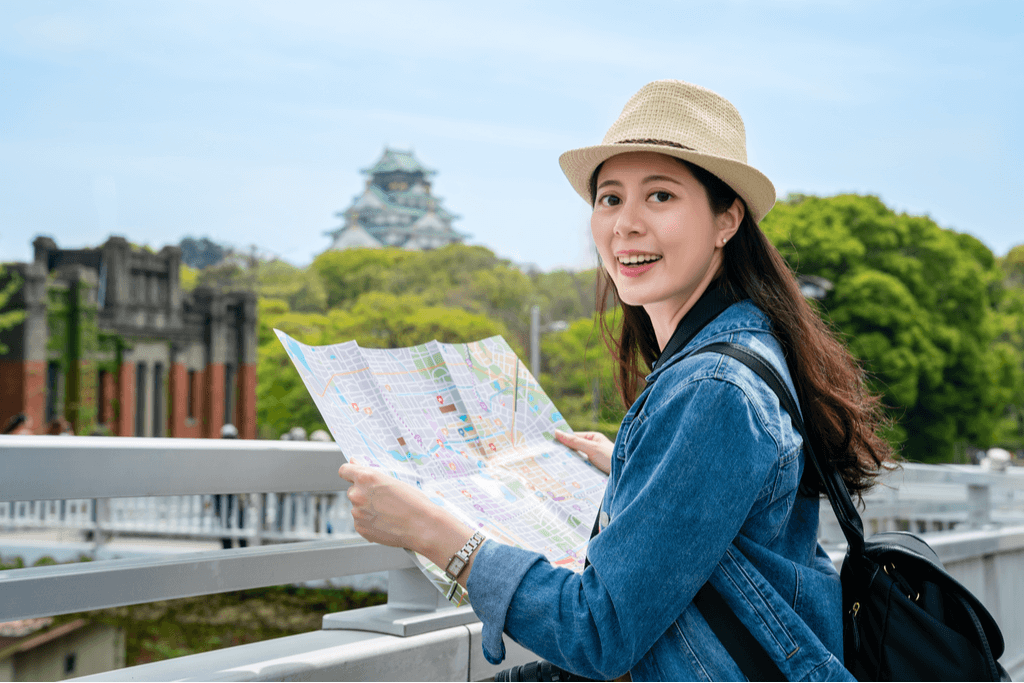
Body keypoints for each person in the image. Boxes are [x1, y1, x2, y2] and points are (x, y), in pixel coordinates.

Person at [339, 80, 892, 680]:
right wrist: (637, 467)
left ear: (726, 219)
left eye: (659, 196)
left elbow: (597, 631)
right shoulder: (742, 347)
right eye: (609, 199)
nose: (625, 225)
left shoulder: (713, 389)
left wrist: (432, 531)